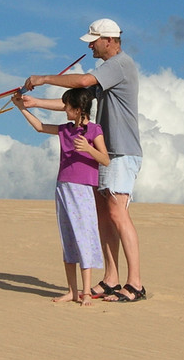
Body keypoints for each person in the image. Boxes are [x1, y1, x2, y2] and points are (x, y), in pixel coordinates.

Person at [20, 18, 146, 303]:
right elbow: (78, 102)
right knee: (103, 216)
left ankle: (135, 283)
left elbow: (83, 81)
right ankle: (112, 279)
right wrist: (35, 103)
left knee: (117, 213)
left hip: (121, 151)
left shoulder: (119, 65)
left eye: (94, 40)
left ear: (109, 41)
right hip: (103, 152)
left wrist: (44, 79)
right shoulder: (109, 71)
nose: (90, 46)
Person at [11, 87, 109, 307]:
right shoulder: (65, 129)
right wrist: (20, 107)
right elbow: (39, 127)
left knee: (83, 237)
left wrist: (87, 149)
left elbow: (105, 159)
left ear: (79, 108)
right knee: (68, 238)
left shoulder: (94, 130)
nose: (65, 109)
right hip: (62, 188)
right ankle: (72, 291)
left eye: (68, 106)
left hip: (83, 189)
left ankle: (85, 292)